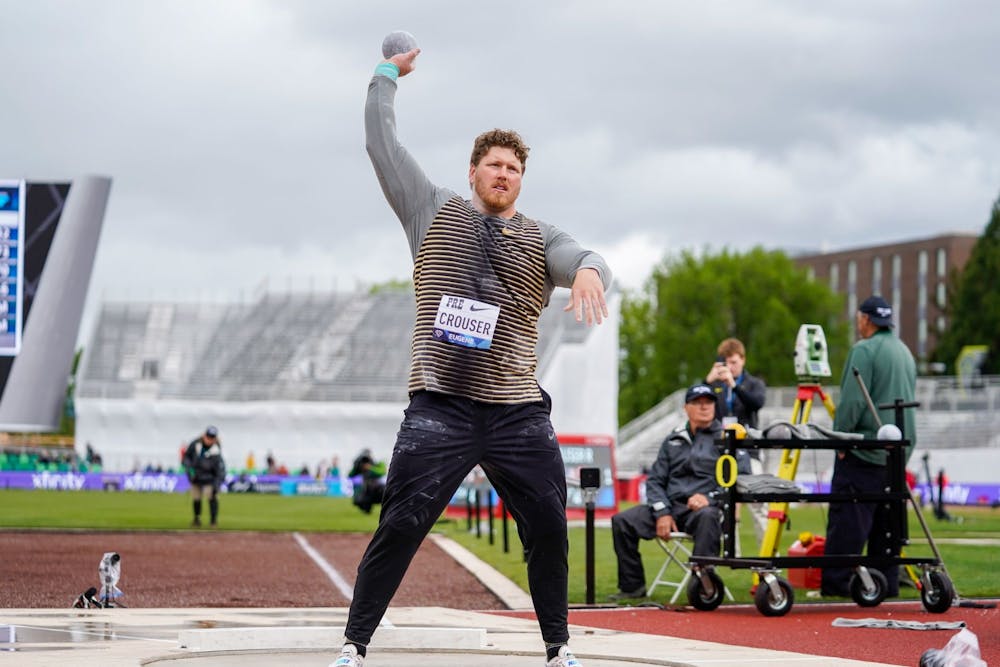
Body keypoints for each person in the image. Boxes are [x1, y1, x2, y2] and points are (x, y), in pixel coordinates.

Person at [332, 45, 611, 667]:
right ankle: (354, 645)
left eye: (513, 167)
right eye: (493, 164)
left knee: (546, 523)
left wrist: (591, 271)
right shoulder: (430, 209)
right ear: (472, 172)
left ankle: (557, 648)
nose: (504, 174)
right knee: (402, 522)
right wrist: (384, 79)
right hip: (441, 408)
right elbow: (382, 146)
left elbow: (587, 259)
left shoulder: (541, 237)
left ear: (521, 179)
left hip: (516, 411)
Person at [608, 383, 749, 600]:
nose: (704, 407)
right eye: (698, 403)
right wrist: (662, 511)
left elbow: (740, 478)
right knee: (622, 521)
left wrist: (710, 498)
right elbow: (655, 480)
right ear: (686, 408)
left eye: (708, 402)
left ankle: (703, 585)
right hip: (671, 507)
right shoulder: (673, 439)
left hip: (704, 512)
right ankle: (632, 587)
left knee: (707, 516)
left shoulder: (727, 438)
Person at [821, 295, 917, 599]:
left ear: (865, 319)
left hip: (864, 448)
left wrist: (841, 438)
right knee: (886, 527)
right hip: (897, 451)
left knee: (848, 522)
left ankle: (838, 585)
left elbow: (852, 401)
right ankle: (884, 584)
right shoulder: (905, 352)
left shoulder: (864, 350)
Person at [705, 338, 766, 430]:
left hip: (746, 437)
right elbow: (697, 403)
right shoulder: (715, 383)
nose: (729, 367)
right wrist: (707, 382)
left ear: (743, 360)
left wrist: (734, 386)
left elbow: (757, 404)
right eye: (726, 363)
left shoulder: (755, 383)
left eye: (733, 362)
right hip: (719, 437)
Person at [181, 426, 226, 528]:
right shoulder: (195, 444)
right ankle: (197, 519)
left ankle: (213, 521)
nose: (209, 440)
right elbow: (186, 458)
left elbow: (220, 467)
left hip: (210, 478)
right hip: (196, 476)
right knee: (196, 498)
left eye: (212, 438)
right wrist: (189, 470)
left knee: (212, 497)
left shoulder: (216, 448)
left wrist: (217, 482)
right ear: (204, 435)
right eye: (208, 437)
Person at [347, 448, 386, 514]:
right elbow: (350, 475)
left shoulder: (377, 463)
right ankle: (366, 509)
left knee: (383, 492)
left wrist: (370, 467)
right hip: (366, 488)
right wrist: (356, 467)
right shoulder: (360, 466)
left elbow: (382, 472)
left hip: (377, 488)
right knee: (360, 497)